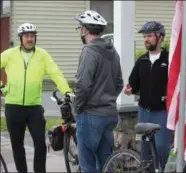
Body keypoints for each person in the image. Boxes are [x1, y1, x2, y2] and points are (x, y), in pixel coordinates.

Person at [0, 23, 74, 173]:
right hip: (13, 107)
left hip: (34, 108)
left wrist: (66, 91)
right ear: (20, 38)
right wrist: (2, 87)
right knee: (17, 145)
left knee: (40, 144)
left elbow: (56, 73)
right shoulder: (9, 54)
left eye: (32, 36)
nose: (30, 39)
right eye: (27, 36)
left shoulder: (42, 55)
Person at [73, 10, 123, 172]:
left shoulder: (89, 51)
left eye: (81, 27)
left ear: (85, 29)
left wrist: (77, 108)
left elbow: (82, 85)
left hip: (91, 115)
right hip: (109, 114)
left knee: (87, 164)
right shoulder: (113, 52)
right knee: (105, 161)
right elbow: (119, 83)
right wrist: (107, 99)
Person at [124, 21, 171, 172]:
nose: (146, 39)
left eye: (149, 36)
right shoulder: (142, 61)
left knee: (162, 148)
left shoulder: (169, 60)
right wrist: (129, 89)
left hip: (162, 112)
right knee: (145, 152)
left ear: (160, 37)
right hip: (144, 111)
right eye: (144, 36)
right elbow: (133, 84)